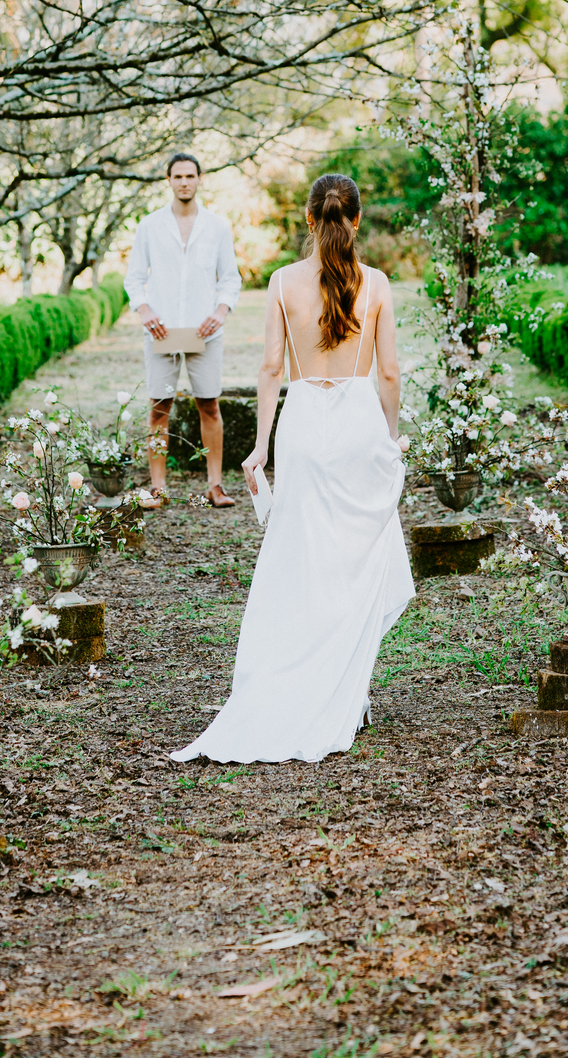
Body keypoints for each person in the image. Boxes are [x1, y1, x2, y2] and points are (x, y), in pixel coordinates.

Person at [171, 172, 414, 764]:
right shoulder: (377, 283)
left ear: (309, 220)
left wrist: (259, 446)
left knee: (306, 555)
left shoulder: (282, 282)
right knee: (354, 556)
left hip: (304, 424)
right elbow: (387, 374)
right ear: (356, 219)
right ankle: (344, 688)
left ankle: (324, 682)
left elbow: (271, 370)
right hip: (358, 420)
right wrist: (390, 435)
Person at [124, 153, 242, 508]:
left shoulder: (218, 226)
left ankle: (215, 485)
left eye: (190, 175)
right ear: (169, 180)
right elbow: (133, 278)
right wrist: (144, 309)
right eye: (178, 176)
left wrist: (220, 312)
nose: (184, 182)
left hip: (205, 332)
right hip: (161, 332)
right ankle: (158, 487)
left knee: (209, 405)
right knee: (159, 409)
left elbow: (231, 279)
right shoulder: (149, 225)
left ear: (200, 179)